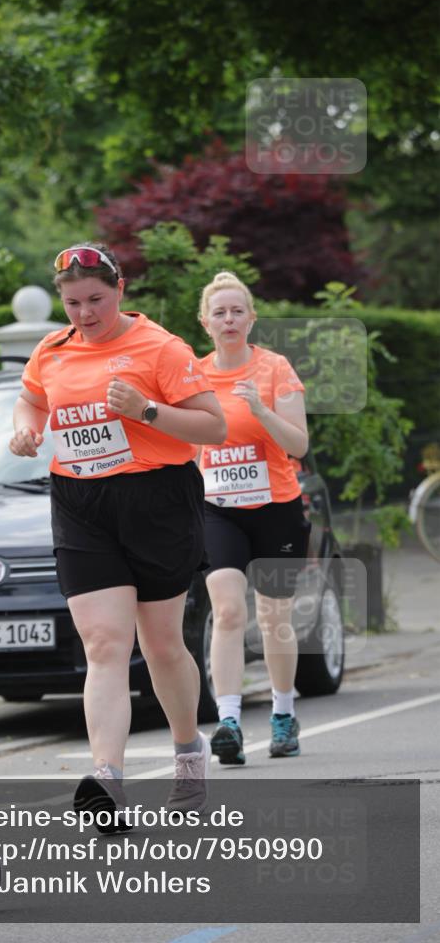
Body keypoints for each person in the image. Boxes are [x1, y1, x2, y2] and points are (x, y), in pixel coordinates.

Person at [9, 243, 227, 822]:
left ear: (120, 290)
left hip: (157, 499)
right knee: (104, 643)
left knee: (161, 644)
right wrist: (25, 431)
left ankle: (188, 753)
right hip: (80, 502)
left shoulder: (161, 348)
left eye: (96, 300)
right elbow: (30, 401)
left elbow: (214, 426)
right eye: (73, 303)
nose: (85, 314)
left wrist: (146, 410)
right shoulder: (51, 350)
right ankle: (108, 778)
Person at [197, 272, 310, 765]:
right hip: (218, 510)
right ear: (205, 322)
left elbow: (298, 444)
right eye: (219, 312)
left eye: (237, 311)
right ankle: (229, 723)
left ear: (251, 319)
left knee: (273, 617)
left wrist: (261, 409)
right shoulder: (194, 374)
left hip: (276, 508)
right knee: (226, 610)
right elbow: (186, 445)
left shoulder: (274, 368)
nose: (229, 319)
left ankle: (284, 713)